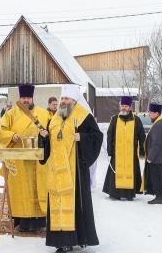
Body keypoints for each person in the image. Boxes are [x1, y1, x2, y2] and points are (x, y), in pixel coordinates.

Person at [39, 85, 102, 252]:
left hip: (75, 172)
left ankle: (80, 237)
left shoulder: (83, 116)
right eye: (62, 99)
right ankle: (62, 241)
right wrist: (43, 137)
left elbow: (97, 136)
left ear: (74, 100)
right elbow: (49, 144)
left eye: (67, 99)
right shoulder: (54, 119)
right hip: (56, 172)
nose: (63, 101)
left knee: (76, 206)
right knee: (58, 205)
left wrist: (82, 137)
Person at [0, 84, 50, 232]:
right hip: (18, 159)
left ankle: (40, 220)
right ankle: (20, 219)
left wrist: (46, 135)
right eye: (23, 98)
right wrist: (11, 135)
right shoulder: (11, 114)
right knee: (20, 190)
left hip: (38, 159)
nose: (26, 100)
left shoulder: (44, 113)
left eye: (28, 98)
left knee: (37, 188)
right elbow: (0, 129)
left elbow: (50, 130)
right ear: (19, 98)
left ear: (32, 98)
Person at [102, 97, 145, 201]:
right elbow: (109, 135)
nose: (123, 108)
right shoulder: (114, 119)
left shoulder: (136, 120)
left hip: (131, 154)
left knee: (130, 172)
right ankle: (114, 194)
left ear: (130, 107)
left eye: (126, 106)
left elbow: (142, 136)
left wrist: (142, 150)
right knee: (115, 173)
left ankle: (129, 194)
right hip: (117, 153)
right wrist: (110, 150)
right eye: (122, 106)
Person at [143, 103, 162, 204]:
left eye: (151, 112)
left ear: (157, 113)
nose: (149, 114)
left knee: (155, 177)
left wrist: (150, 157)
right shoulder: (160, 122)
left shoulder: (159, 125)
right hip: (160, 156)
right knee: (159, 174)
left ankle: (159, 197)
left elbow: (156, 144)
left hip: (157, 157)